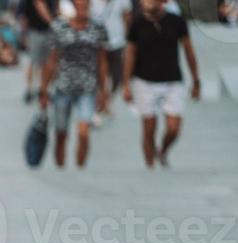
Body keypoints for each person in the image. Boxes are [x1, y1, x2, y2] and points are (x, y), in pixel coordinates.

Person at [123, 0, 200, 167]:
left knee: (173, 128)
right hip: (144, 80)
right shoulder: (137, 23)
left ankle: (163, 150)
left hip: (172, 79)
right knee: (149, 129)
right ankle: (150, 167)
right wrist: (126, 84)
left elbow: (188, 50)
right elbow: (130, 52)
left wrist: (196, 80)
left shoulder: (176, 21)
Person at [40, 0, 109, 168]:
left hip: (87, 87)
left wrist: (103, 90)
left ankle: (79, 169)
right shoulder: (60, 27)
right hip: (63, 86)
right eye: (79, 5)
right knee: (61, 133)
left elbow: (102, 61)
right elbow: (52, 60)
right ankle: (61, 170)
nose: (82, 9)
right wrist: (43, 89)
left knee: (84, 132)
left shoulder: (97, 28)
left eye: (86, 5)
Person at [91, 0, 131, 123]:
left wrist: (126, 38)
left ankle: (106, 100)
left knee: (117, 76)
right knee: (99, 76)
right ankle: (99, 105)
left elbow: (127, 16)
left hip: (117, 41)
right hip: (97, 42)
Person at [19, 0, 57, 102]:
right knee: (33, 62)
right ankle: (29, 88)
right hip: (35, 31)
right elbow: (24, 16)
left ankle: (44, 89)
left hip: (48, 31)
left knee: (47, 63)